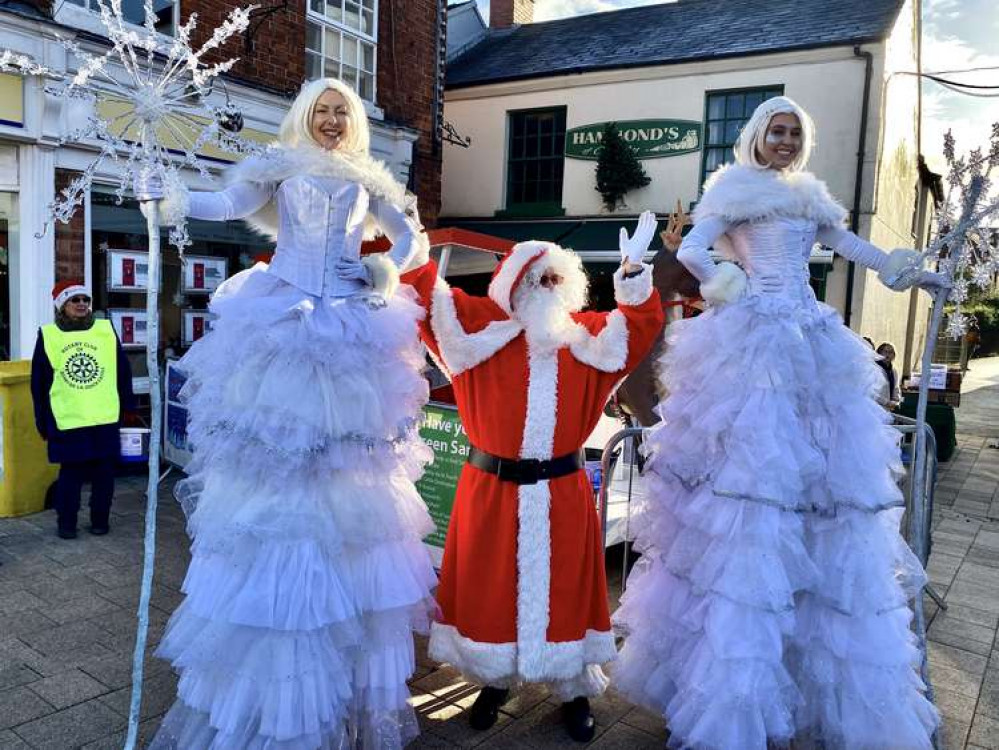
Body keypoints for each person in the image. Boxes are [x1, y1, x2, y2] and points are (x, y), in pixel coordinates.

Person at [613, 96, 946, 750]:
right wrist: (727, 283)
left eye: (794, 131)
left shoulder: (809, 198)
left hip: (810, 343)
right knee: (749, 500)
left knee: (819, 495)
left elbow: (848, 245)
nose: (785, 140)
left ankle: (798, 665)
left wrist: (910, 271)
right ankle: (730, 685)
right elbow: (699, 251)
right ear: (757, 137)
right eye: (776, 130)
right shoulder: (732, 189)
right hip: (752, 347)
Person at [140, 78, 437, 749]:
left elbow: (411, 243)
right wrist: (170, 198)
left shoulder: (371, 177)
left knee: (348, 478)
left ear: (353, 121)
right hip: (285, 316)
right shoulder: (277, 167)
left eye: (342, 112)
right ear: (305, 117)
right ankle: (276, 644)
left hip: (350, 327)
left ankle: (335, 637)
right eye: (322, 111)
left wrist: (382, 271)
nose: (332, 121)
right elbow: (225, 201)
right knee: (279, 472)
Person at [401, 214, 665, 742]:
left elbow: (636, 328)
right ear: (512, 283)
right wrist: (412, 246)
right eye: (534, 277)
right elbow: (429, 301)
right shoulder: (476, 333)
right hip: (490, 492)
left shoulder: (585, 340)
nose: (545, 286)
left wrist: (633, 273)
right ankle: (497, 679)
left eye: (554, 278)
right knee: (492, 591)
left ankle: (575, 689)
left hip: (561, 492)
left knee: (564, 593)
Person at [31, 281, 134, 539]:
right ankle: (67, 524)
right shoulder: (49, 335)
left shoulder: (105, 330)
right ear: (61, 306)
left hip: (104, 417)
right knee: (71, 475)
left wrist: (128, 406)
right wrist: (42, 420)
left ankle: (100, 521)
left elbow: (122, 372)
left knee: (104, 474)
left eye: (85, 300)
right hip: (68, 419)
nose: (81, 304)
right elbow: (39, 383)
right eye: (74, 300)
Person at [876, 341, 901, 408]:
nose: (887, 355)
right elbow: (872, 391)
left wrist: (896, 400)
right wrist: (886, 402)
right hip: (876, 407)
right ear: (879, 353)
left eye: (890, 352)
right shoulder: (875, 369)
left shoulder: (893, 370)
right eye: (885, 352)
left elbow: (896, 388)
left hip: (889, 407)